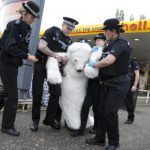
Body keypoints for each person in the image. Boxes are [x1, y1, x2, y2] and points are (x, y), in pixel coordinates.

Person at [85, 18, 132, 150]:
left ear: (112, 31)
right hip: (106, 83)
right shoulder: (109, 44)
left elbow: (109, 60)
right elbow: (102, 58)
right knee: (100, 111)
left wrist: (94, 65)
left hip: (118, 83)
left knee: (110, 113)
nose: (104, 33)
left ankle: (114, 143)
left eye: (105, 31)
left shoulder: (121, 43)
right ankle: (99, 139)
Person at [30, 17, 79, 132]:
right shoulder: (52, 31)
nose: (69, 30)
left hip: (54, 68)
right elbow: (41, 46)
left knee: (56, 92)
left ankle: (49, 119)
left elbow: (66, 59)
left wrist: (65, 62)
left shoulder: (69, 41)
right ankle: (35, 121)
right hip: (41, 64)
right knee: (37, 93)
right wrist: (55, 55)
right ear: (63, 25)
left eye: (71, 29)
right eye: (68, 27)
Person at [0, 1, 40, 136]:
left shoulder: (27, 28)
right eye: (32, 17)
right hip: (6, 62)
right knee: (12, 96)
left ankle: (6, 123)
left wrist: (27, 54)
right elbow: (9, 47)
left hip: (13, 63)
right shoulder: (14, 26)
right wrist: (26, 56)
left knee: (6, 92)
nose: (33, 20)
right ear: (24, 14)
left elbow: (21, 45)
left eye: (35, 18)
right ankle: (7, 126)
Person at [71, 33, 106, 137]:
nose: (97, 42)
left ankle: (96, 128)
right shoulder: (92, 52)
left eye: (100, 40)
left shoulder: (105, 52)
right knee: (85, 107)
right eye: (96, 40)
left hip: (101, 84)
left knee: (98, 109)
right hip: (91, 83)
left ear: (104, 41)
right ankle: (81, 130)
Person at [124, 57, 140, 124]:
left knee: (129, 102)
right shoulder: (121, 59)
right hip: (120, 83)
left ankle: (130, 118)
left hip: (129, 84)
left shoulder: (132, 61)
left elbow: (137, 73)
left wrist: (135, 85)